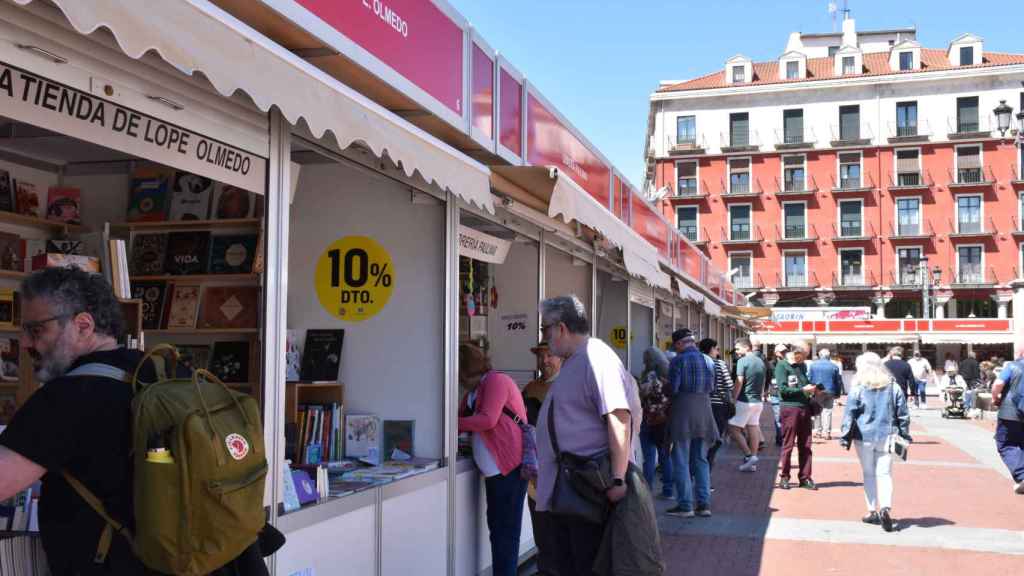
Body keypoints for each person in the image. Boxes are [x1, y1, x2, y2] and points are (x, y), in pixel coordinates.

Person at [0, 268, 273, 575]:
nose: (24, 343)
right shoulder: (167, 372)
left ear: (83, 325)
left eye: (35, 330)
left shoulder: (67, 397)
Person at [535, 296, 659, 576]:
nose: (545, 337)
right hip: (572, 487)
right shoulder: (578, 360)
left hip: (586, 488)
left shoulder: (596, 358)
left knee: (586, 565)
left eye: (545, 329)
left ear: (561, 328)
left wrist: (617, 478)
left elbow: (619, 418)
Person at [458, 343, 529, 576]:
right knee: (499, 532)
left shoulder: (496, 382)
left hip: (508, 469)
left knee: (505, 536)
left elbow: (488, 419)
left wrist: (453, 424)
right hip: (497, 474)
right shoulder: (475, 391)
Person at [840, 352, 911, 533]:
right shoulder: (893, 386)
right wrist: (904, 433)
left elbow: (850, 413)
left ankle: (871, 510)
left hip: (863, 435)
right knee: (885, 473)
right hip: (887, 434)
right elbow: (903, 413)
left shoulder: (858, 387)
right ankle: (885, 507)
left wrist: (844, 436)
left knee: (868, 473)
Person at [666, 329, 719, 518]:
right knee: (701, 459)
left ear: (680, 343)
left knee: (680, 459)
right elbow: (712, 387)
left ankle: (685, 505)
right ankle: (704, 504)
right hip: (705, 410)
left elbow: (673, 388)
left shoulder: (678, 361)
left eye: (676, 345)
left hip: (683, 411)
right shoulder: (708, 360)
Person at [521, 341, 561, 576]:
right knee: (540, 522)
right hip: (535, 470)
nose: (544, 361)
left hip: (558, 468)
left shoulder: (567, 387)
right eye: (541, 356)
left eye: (550, 356)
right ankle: (547, 567)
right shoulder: (530, 387)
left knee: (556, 526)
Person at [775, 342, 817, 490]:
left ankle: (805, 477)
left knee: (806, 444)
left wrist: (812, 388)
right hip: (790, 408)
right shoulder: (782, 366)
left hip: (804, 408)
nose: (805, 358)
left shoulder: (802, 366)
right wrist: (803, 390)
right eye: (804, 355)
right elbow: (783, 389)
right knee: (788, 444)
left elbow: (803, 382)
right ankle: (784, 477)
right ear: (795, 352)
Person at [638, 347, 674, 500]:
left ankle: (647, 489)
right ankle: (668, 490)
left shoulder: (650, 376)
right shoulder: (669, 375)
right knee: (666, 456)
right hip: (664, 419)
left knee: (649, 456)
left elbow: (642, 394)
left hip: (649, 419)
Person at [699, 338, 734, 478]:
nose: (718, 351)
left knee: (700, 442)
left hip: (701, 406)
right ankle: (706, 476)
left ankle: (697, 473)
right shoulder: (719, 364)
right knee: (715, 441)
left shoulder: (698, 362)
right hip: (718, 407)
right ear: (711, 349)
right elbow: (730, 385)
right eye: (717, 348)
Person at [729, 338, 765, 472]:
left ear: (747, 348)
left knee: (733, 428)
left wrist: (733, 398)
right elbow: (763, 382)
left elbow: (738, 382)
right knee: (753, 427)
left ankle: (749, 455)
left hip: (745, 400)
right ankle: (752, 459)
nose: (736, 351)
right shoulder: (760, 361)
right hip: (757, 401)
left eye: (738, 348)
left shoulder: (742, 361)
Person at [992, 356, 1024, 495]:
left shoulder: (1012, 366)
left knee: (1005, 443)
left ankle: (1022, 475)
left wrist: (995, 397)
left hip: (1010, 411)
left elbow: (998, 384)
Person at [809, 349, 843, 440]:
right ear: (828, 356)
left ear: (820, 355)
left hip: (818, 390)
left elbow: (810, 379)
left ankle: (818, 431)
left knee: (817, 411)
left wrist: (811, 391)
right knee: (828, 412)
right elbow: (838, 381)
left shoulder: (813, 365)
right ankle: (827, 432)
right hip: (830, 391)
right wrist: (838, 393)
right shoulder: (834, 366)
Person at [767, 344, 788, 447]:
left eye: (785, 351)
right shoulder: (771, 364)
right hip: (775, 393)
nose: (784, 354)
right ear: (776, 353)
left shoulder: (788, 363)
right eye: (782, 352)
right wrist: (766, 391)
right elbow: (767, 378)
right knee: (777, 417)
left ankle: (785, 437)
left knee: (786, 417)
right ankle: (780, 438)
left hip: (786, 393)